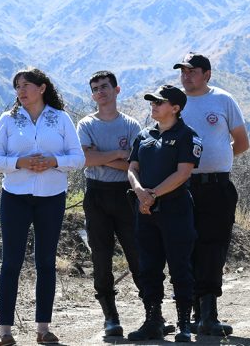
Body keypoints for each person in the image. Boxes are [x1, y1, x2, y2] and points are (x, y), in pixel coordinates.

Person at [0, 68, 85, 346]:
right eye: (17, 86)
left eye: (26, 85)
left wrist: (54, 161)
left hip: (52, 197)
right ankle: (5, 330)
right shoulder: (8, 119)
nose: (20, 91)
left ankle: (43, 328)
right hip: (15, 196)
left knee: (46, 262)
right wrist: (20, 163)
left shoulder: (61, 118)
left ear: (42, 88)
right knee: (11, 263)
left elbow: (78, 158)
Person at [174, 53, 249, 336]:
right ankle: (191, 314)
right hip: (181, 187)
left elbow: (241, 142)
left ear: (207, 74)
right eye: (183, 71)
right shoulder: (173, 102)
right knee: (185, 248)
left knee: (214, 247)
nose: (186, 75)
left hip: (218, 187)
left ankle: (209, 313)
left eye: (192, 71)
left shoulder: (223, 100)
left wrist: (218, 159)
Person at [126, 85, 202, 343]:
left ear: (176, 108)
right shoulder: (144, 136)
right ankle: (152, 321)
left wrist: (153, 194)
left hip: (175, 210)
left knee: (180, 267)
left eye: (160, 102)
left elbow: (183, 173)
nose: (154, 105)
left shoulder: (187, 136)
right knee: (148, 267)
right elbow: (132, 168)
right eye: (152, 101)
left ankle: (184, 324)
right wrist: (139, 192)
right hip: (145, 211)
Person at [76, 71, 143, 337]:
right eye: (95, 89)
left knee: (137, 254)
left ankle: (152, 312)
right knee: (101, 257)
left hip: (126, 193)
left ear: (117, 90)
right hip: (97, 194)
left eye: (105, 87)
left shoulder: (131, 126)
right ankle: (110, 317)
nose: (100, 92)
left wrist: (99, 156)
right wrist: (116, 154)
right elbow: (84, 159)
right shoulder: (85, 124)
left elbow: (135, 164)